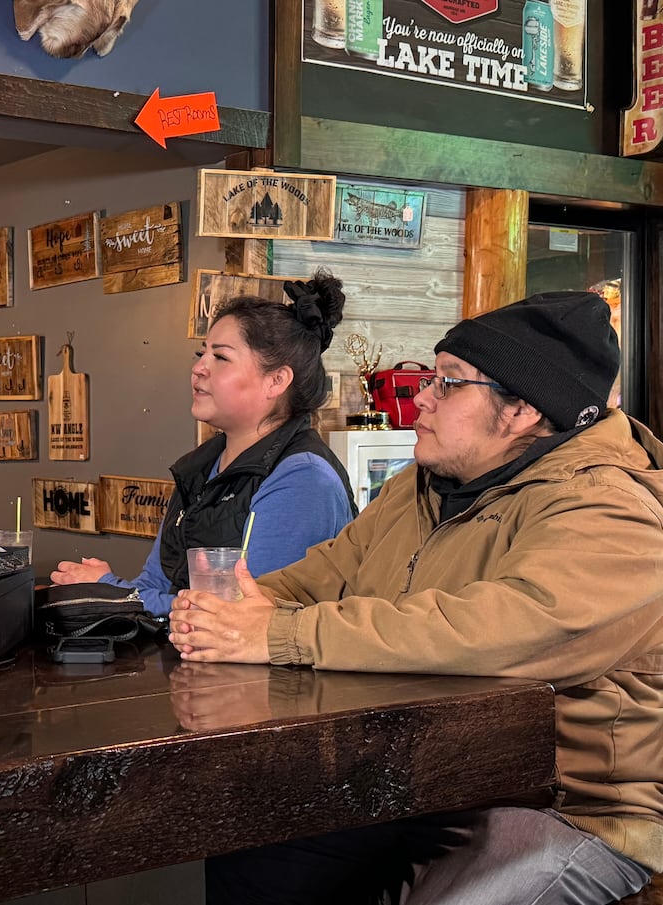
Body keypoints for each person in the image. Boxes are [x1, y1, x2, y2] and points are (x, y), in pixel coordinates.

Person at [171, 291, 662, 903]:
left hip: (569, 804)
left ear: (522, 410)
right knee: (255, 844)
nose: (421, 397)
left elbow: (506, 628)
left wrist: (277, 633)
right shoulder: (423, 484)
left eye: (447, 383)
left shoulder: (611, 508)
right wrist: (226, 614)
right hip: (419, 777)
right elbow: (320, 575)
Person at [50, 270, 357, 615]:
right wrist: (112, 592)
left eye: (220, 357)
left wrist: (112, 590)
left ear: (276, 380)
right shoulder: (199, 467)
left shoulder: (304, 480)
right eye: (201, 354)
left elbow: (248, 614)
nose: (198, 368)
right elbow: (154, 586)